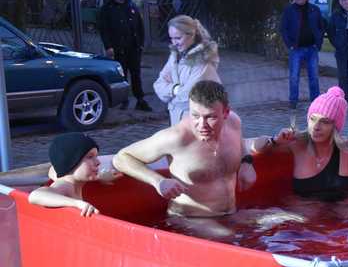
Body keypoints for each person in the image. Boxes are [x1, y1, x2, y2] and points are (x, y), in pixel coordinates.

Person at [113, 81, 256, 232]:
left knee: (280, 218)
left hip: (230, 214)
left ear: (226, 113)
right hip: (189, 220)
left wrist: (247, 162)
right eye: (195, 115)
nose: (201, 125)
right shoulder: (177, 137)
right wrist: (158, 181)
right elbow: (122, 157)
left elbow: (241, 144)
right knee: (228, 237)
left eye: (210, 117)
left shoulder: (234, 122)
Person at [250, 87, 348, 201]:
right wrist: (275, 140)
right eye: (313, 119)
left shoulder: (347, 146)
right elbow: (255, 146)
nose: (316, 127)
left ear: (335, 126)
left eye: (324, 122)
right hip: (304, 216)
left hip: (345, 215)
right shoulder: (296, 144)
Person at [153, 15, 221, 125]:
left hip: (198, 123)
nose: (174, 43)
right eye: (171, 38)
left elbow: (189, 96)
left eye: (178, 38)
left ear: (192, 35)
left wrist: (170, 96)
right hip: (177, 120)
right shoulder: (175, 56)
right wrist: (175, 89)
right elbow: (158, 84)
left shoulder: (203, 61)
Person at [97, 0, 152, 112]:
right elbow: (104, 29)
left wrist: (141, 44)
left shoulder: (131, 6)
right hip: (118, 48)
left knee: (136, 74)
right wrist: (108, 46)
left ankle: (140, 99)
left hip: (134, 47)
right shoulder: (107, 9)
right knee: (122, 75)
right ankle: (123, 100)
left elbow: (139, 26)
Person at [28, 133, 101, 217]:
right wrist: (76, 203)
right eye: (90, 157)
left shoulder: (72, 181)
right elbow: (35, 196)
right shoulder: (65, 186)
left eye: (96, 156)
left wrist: (103, 176)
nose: (98, 162)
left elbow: (53, 170)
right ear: (71, 162)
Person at [280, 0, 324, 109]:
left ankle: (315, 101)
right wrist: (290, 45)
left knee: (314, 77)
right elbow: (283, 29)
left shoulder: (314, 9)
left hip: (312, 48)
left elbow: (321, 26)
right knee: (294, 77)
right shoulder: (289, 10)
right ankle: (293, 101)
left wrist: (318, 42)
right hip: (296, 49)